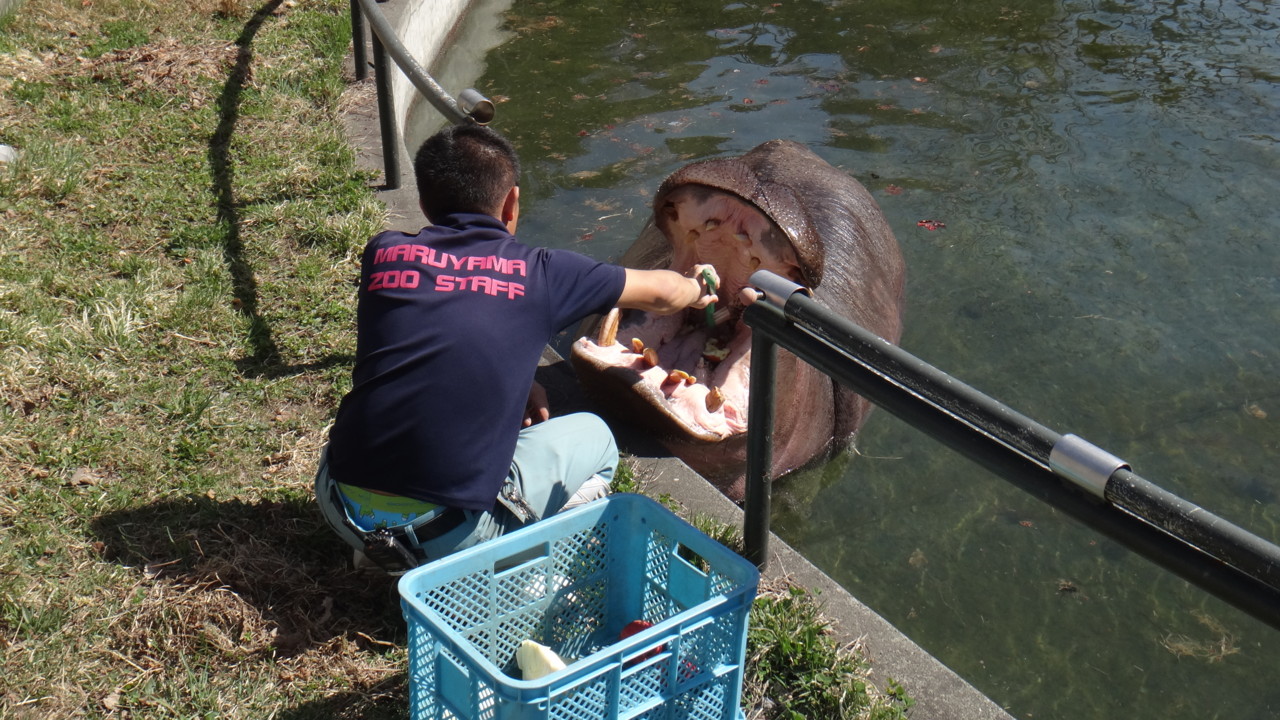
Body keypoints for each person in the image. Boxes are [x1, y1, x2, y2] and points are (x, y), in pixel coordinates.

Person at [314, 123, 718, 573]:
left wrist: (520, 375)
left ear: (425, 203)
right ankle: (519, 569)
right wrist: (697, 285)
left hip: (339, 501)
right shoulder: (543, 273)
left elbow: (453, 317)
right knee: (599, 440)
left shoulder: (385, 252)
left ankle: (376, 552)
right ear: (512, 204)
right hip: (448, 532)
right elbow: (662, 293)